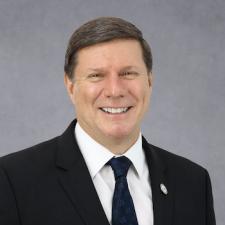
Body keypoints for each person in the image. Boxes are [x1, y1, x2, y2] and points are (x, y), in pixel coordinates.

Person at [0, 17, 216, 225]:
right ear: (71, 86)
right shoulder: (12, 180)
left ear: (149, 81)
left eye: (128, 73)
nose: (115, 90)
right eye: (96, 76)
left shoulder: (194, 182)